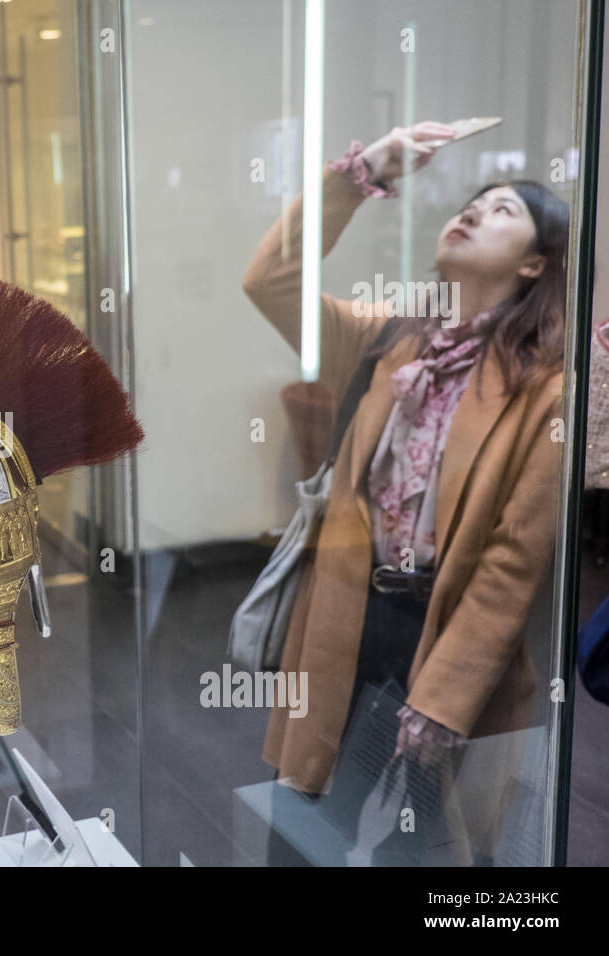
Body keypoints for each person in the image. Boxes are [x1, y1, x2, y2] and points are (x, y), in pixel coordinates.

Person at [243, 122, 567, 865]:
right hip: (348, 616)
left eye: (503, 212)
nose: (476, 211)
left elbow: (513, 562)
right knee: (299, 824)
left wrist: (444, 697)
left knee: (421, 850)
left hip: (447, 636)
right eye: (475, 202)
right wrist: (365, 172)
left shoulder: (544, 390)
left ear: (532, 265)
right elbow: (269, 281)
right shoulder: (388, 339)